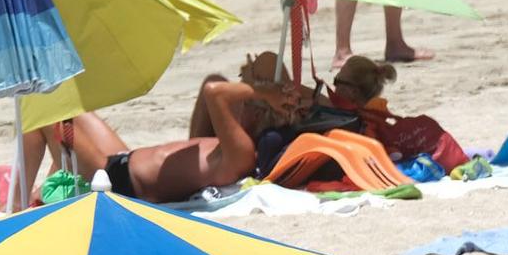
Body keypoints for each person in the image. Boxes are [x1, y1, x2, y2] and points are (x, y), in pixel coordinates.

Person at [18, 75, 302, 204]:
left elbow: (216, 92)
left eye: (250, 106)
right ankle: (44, 183)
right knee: (66, 105)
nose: (243, 105)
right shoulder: (218, 146)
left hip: (118, 183)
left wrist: (265, 92)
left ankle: (19, 199)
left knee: (44, 108)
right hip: (119, 160)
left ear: (259, 119)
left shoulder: (240, 155)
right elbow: (211, 82)